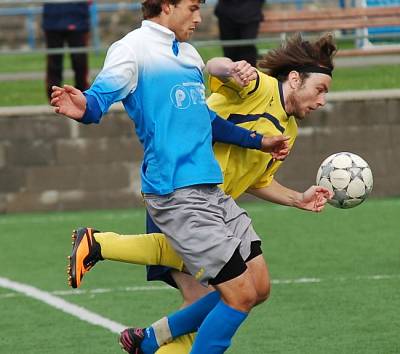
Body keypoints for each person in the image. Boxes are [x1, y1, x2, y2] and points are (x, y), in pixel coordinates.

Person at [64, 33, 337, 354]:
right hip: (183, 193)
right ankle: (101, 249)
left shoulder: (289, 129)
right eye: (320, 90)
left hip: (214, 212)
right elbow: (214, 67)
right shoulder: (258, 86)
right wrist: (232, 68)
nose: (322, 100)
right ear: (294, 79)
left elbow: (258, 181)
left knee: (254, 289)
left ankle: (147, 335)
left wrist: (297, 198)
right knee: (222, 298)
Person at [42, 0, 91, 99]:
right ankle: (54, 96)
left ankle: (82, 94)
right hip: (54, 20)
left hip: (77, 20)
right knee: (54, 61)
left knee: (79, 61)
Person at [214, 0, 265, 66]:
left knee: (247, 49)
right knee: (230, 50)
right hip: (226, 15)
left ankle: (250, 74)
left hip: (251, 14)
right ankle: (231, 73)